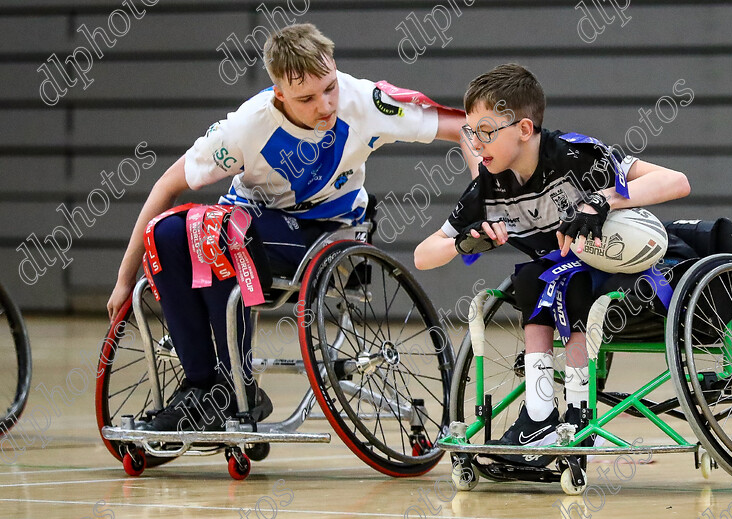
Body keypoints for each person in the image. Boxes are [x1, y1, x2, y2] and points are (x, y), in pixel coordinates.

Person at [106, 23, 471, 432]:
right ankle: (201, 386)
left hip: (329, 232)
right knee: (168, 233)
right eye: (307, 98)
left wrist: (481, 205)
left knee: (221, 233)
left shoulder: (363, 101)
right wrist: (124, 278)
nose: (326, 105)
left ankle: (233, 388)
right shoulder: (247, 126)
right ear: (279, 94)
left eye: (329, 87)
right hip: (244, 222)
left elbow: (464, 129)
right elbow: (166, 185)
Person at [414, 63, 690, 465]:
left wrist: (602, 200)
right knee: (530, 276)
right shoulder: (488, 187)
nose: (476, 144)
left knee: (567, 278)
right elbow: (423, 255)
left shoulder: (578, 156)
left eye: (487, 131)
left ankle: (580, 418)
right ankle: (539, 415)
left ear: (524, 129)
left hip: (634, 275)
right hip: (555, 282)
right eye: (471, 133)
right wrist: (461, 241)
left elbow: (677, 181)